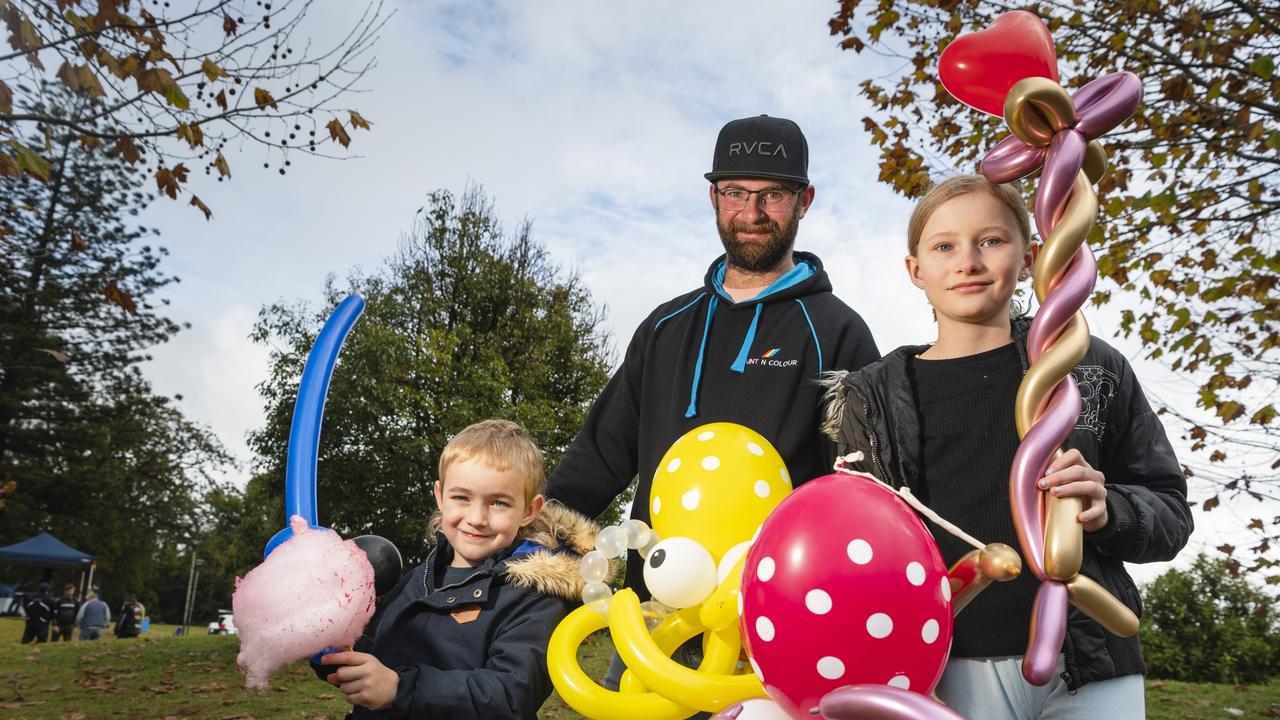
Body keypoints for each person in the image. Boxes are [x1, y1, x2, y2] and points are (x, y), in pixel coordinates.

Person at [821, 175, 1192, 719]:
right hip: (943, 670)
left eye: (991, 241)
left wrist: (1110, 508)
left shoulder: (1086, 365)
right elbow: (858, 549)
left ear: (1029, 258)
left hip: (1087, 663)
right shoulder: (870, 398)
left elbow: (1171, 513)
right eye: (944, 246)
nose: (967, 262)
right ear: (915, 270)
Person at [547, 114, 880, 595]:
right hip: (652, 610)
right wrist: (526, 542)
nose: (752, 212)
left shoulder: (837, 330)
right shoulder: (666, 326)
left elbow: (859, 487)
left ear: (804, 201)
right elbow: (599, 457)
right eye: (736, 193)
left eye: (773, 195)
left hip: (777, 609)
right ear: (714, 198)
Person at [315, 419, 601, 720]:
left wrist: (400, 689)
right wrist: (334, 644)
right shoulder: (417, 579)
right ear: (440, 496)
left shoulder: (536, 598)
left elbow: (510, 695)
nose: (477, 517)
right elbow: (382, 664)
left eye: (499, 503)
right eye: (461, 497)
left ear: (529, 510)